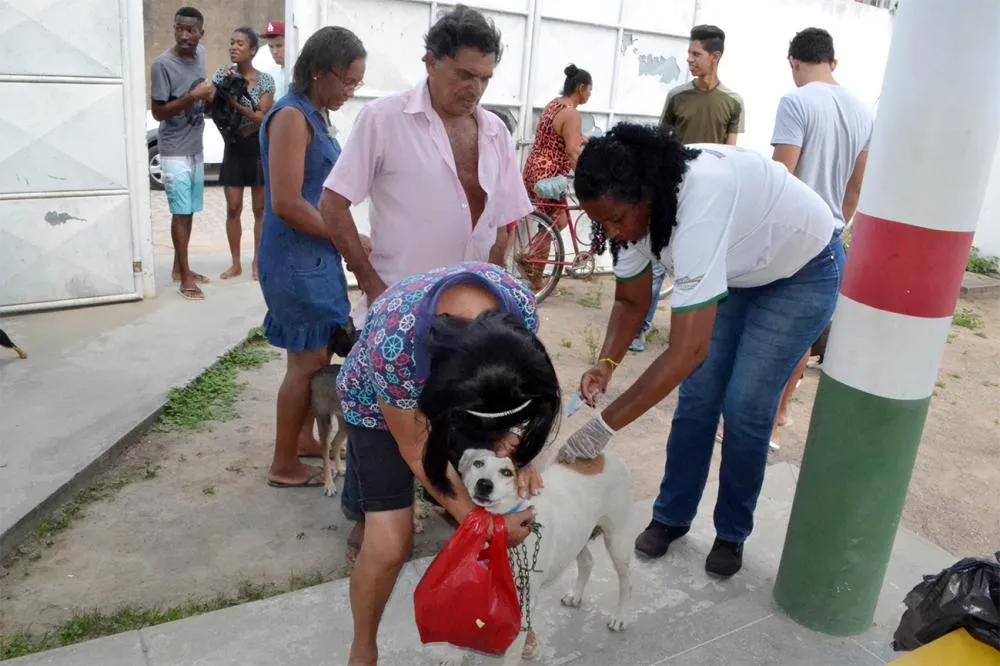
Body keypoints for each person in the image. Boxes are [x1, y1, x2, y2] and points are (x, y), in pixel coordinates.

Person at [555, 124, 844, 578]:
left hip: (801, 271)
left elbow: (687, 350)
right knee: (698, 398)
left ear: (646, 196)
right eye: (601, 223)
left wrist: (603, 427)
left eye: (615, 219)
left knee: (746, 404)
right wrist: (606, 362)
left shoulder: (700, 198)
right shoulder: (632, 216)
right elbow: (631, 300)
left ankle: (731, 532)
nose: (612, 231)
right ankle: (672, 516)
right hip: (739, 270)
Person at [336, 261, 555, 666]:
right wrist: (485, 525)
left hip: (463, 394)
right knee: (388, 544)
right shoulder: (394, 345)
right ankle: (362, 648)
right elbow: (417, 448)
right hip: (378, 406)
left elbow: (522, 387)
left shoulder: (519, 304)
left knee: (486, 478)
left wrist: (516, 448)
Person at [320, 5, 533, 329]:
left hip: (472, 321)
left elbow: (501, 227)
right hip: (400, 316)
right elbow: (332, 204)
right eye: (464, 75)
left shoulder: (496, 133)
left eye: (484, 78)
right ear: (431, 62)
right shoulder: (384, 120)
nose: (475, 89)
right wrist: (372, 286)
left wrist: (496, 300)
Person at [257, 27, 367, 487]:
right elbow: (287, 201)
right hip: (296, 259)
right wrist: (347, 239)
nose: (351, 90)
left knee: (312, 355)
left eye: (357, 83)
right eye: (347, 81)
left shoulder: (316, 114)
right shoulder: (291, 117)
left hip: (312, 257)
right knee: (305, 363)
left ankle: (303, 440)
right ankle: (284, 464)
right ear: (319, 72)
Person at [769, 27, 874, 444]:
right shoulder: (863, 111)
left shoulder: (796, 102)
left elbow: (781, 178)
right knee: (804, 335)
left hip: (791, 235)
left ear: (794, 62)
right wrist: (837, 222)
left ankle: (750, 417)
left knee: (767, 331)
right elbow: (856, 187)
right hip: (829, 239)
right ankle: (781, 412)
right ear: (833, 62)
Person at [636, 25, 744, 351]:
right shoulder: (677, 97)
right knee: (656, 260)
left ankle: (691, 337)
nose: (690, 59)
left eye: (696, 54)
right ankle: (639, 330)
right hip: (672, 190)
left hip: (709, 197)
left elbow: (731, 154)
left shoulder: (733, 102)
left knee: (700, 266)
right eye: (689, 53)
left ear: (716, 57)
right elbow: (661, 144)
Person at [150, 6, 215, 301]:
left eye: (191, 30)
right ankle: (185, 277)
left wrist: (210, 97)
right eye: (180, 29)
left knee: (189, 210)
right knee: (179, 211)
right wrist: (192, 97)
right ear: (174, 28)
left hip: (195, 146)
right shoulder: (162, 64)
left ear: (202, 32)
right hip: (174, 149)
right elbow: (158, 112)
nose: (185, 35)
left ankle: (180, 267)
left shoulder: (200, 56)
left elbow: (202, 97)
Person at [210, 27, 276, 281]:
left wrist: (236, 102)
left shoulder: (266, 81)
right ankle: (235, 262)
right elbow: (210, 100)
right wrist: (219, 88)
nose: (233, 47)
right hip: (234, 148)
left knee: (259, 209)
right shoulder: (222, 75)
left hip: (258, 148)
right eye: (231, 42)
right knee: (233, 208)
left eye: (240, 43)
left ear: (252, 50)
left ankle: (257, 262)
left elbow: (262, 118)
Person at [519, 64, 592, 291]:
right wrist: (586, 178)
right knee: (556, 223)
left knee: (552, 222)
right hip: (549, 176)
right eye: (589, 89)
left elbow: (557, 134)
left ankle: (534, 275)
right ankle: (532, 264)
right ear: (580, 88)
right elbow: (570, 152)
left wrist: (581, 138)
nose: (590, 94)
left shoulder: (555, 105)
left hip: (533, 170)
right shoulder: (572, 113)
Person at [261, 19, 288, 100]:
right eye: (271, 46)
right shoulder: (269, 74)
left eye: (279, 46)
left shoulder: (301, 73)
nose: (274, 51)